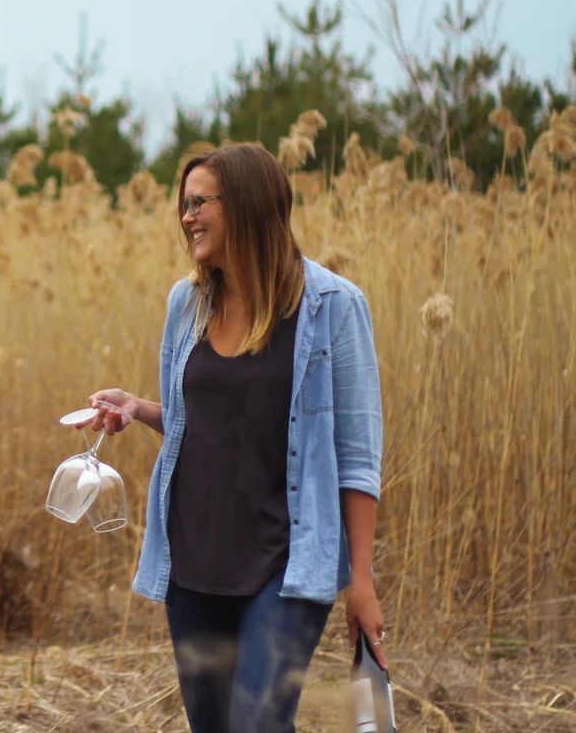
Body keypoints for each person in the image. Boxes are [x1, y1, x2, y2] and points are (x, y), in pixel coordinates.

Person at [83, 144, 386, 733]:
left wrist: (363, 584)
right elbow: (205, 423)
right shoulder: (187, 303)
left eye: (200, 202)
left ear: (246, 203)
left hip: (285, 564)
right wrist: (140, 408)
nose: (186, 216)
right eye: (184, 204)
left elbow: (356, 458)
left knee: (258, 723)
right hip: (193, 563)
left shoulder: (333, 308)